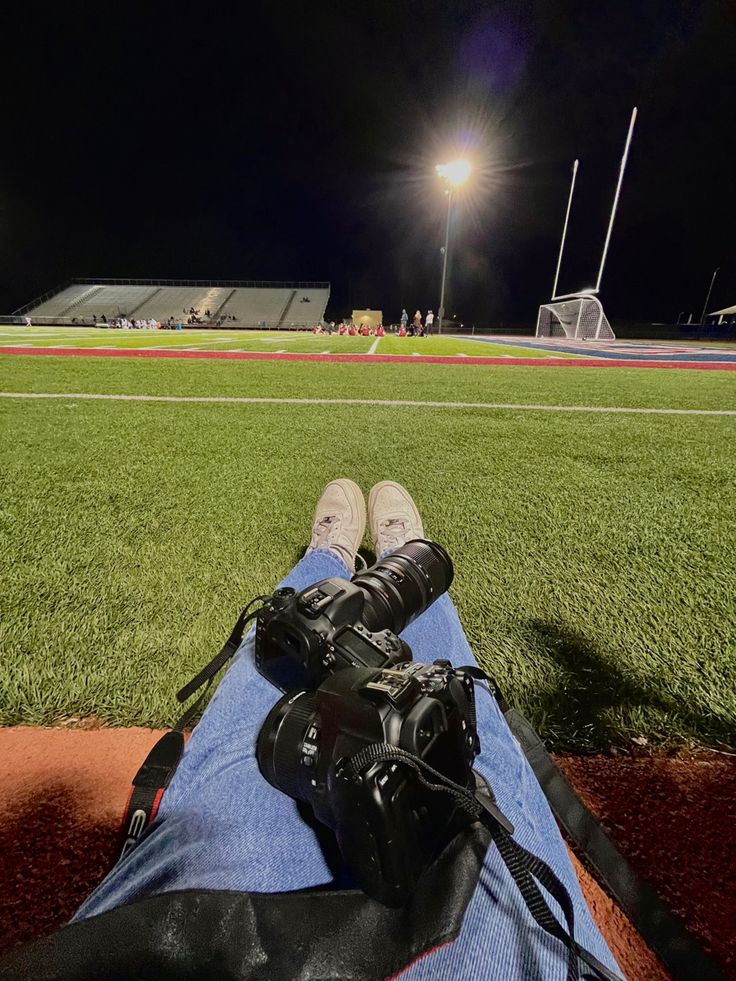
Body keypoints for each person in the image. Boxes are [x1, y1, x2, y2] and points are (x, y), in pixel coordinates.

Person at [5, 480, 619, 979]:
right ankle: (403, 558)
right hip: (511, 948)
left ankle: (326, 562)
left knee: (237, 774)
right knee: (458, 739)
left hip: (187, 935)